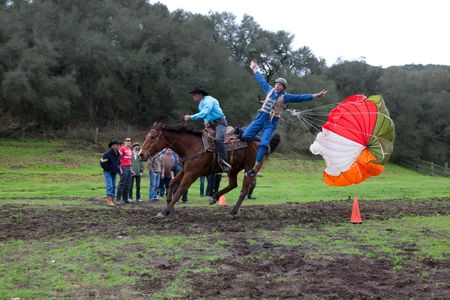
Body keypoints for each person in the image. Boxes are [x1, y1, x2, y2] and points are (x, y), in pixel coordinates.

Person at [242, 60, 327, 177]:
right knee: (245, 136)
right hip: (260, 118)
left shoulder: (285, 97)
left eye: (280, 85)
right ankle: (264, 143)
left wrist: (315, 95)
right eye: (276, 84)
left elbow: (300, 97)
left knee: (263, 144)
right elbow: (260, 79)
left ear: (283, 88)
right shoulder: (269, 89)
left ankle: (255, 167)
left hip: (271, 122)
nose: (277, 86)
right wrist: (254, 69)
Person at [183, 85, 231, 173]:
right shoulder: (201, 104)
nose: (192, 96)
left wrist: (190, 117)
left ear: (200, 94)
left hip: (220, 123)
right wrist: (206, 123)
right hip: (211, 124)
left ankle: (225, 162)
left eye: (194, 94)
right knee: (201, 140)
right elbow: (205, 116)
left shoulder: (209, 101)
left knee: (219, 140)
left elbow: (205, 112)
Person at [100, 139, 121, 206]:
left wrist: (118, 169)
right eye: (116, 144)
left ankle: (112, 199)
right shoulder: (107, 154)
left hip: (114, 172)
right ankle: (109, 200)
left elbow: (118, 162)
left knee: (114, 186)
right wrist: (108, 169)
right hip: (108, 172)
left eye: (118, 144)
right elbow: (102, 163)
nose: (118, 146)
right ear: (113, 146)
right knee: (110, 186)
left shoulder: (118, 154)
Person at [116, 137, 133, 205]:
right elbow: (118, 158)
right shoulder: (122, 148)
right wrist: (119, 168)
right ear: (124, 142)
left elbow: (130, 160)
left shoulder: (130, 150)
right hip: (123, 167)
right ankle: (118, 199)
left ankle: (125, 199)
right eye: (127, 140)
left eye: (130, 141)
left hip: (129, 167)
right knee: (122, 183)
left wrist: (131, 170)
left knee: (127, 184)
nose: (129, 142)